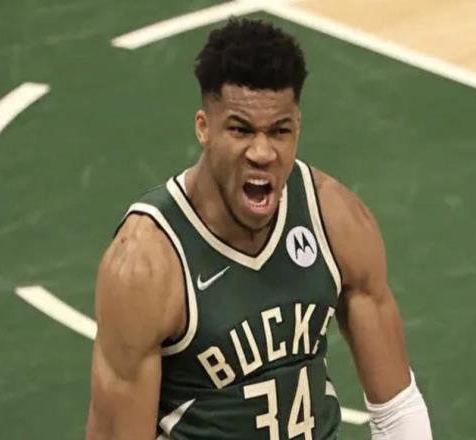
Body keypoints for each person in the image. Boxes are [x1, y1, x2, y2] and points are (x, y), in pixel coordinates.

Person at [86, 18, 432, 440]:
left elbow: (397, 411)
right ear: (204, 128)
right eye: (241, 130)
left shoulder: (334, 218)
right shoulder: (147, 264)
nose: (263, 152)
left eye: (279, 131)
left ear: (298, 127)